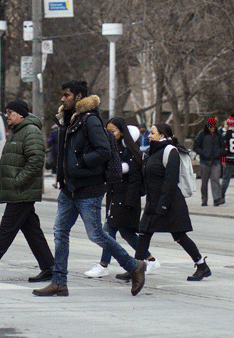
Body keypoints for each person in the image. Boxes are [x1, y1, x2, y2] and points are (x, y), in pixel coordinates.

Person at [33, 80, 146, 297]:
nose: (62, 99)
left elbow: (103, 151)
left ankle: (134, 266)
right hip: (69, 188)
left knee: (96, 234)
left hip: (88, 187)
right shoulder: (69, 119)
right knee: (60, 232)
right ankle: (59, 282)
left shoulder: (90, 120)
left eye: (66, 95)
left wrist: (79, 163)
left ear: (78, 96)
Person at [0, 99, 54, 284]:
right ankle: (49, 267)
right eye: (5, 112)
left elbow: (37, 160)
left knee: (6, 230)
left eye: (9, 112)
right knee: (32, 231)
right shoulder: (17, 132)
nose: (6, 116)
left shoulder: (30, 131)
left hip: (22, 191)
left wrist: (17, 182)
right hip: (19, 191)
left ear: (21, 114)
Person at [135, 124, 211, 281]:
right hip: (154, 201)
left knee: (179, 236)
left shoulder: (171, 151)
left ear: (162, 135)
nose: (149, 135)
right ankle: (136, 269)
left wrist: (162, 205)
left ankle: (201, 266)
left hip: (170, 202)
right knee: (144, 232)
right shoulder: (151, 152)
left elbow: (170, 180)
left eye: (152, 133)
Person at [86, 118, 157, 277]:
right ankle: (150, 259)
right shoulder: (113, 148)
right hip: (115, 196)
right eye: (108, 131)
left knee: (107, 231)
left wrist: (130, 203)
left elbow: (134, 179)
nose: (110, 134)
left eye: (113, 131)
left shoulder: (129, 151)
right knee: (126, 233)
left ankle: (104, 264)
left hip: (125, 199)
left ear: (122, 132)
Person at [193, 117, 224, 206]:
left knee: (215, 179)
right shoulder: (202, 134)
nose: (212, 129)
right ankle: (204, 198)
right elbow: (196, 146)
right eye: (211, 127)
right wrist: (203, 153)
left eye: (214, 127)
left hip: (216, 160)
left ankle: (216, 198)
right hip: (205, 161)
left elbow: (223, 146)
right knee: (204, 181)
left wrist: (219, 153)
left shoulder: (218, 135)